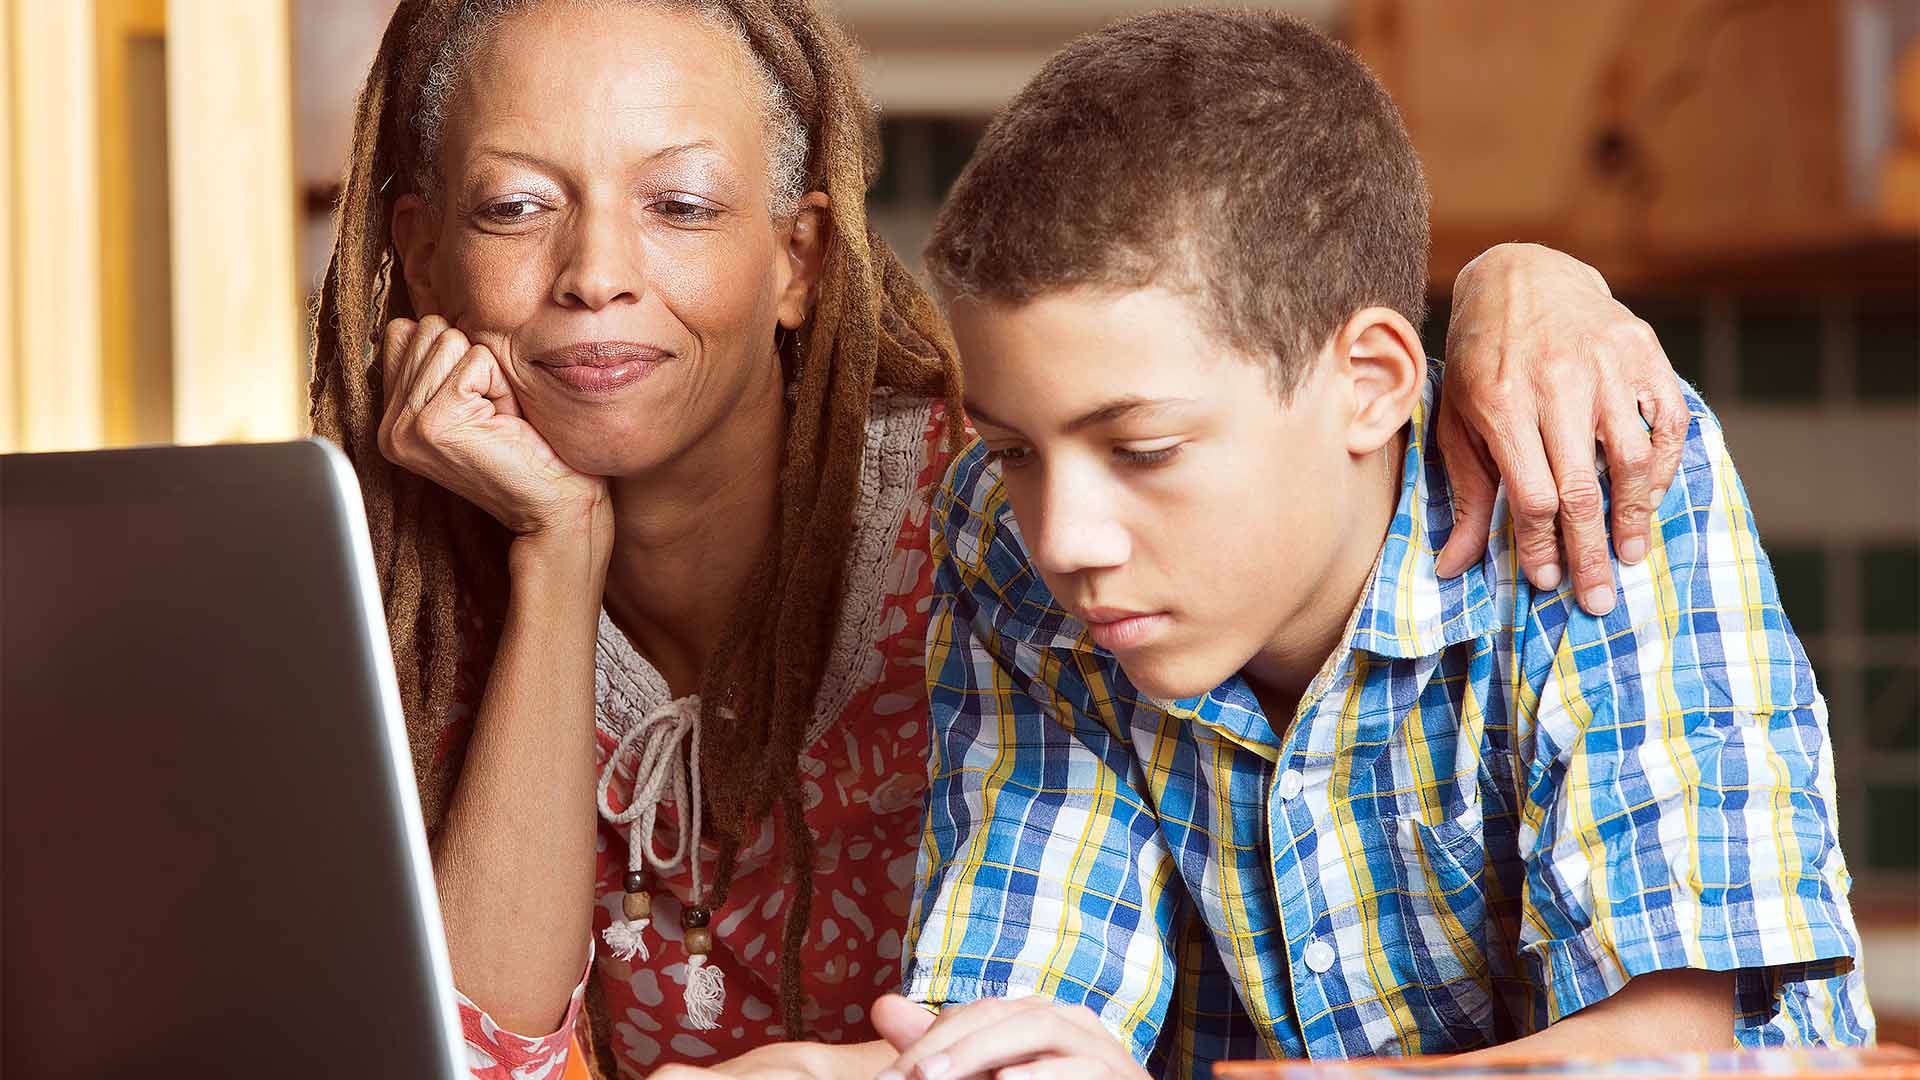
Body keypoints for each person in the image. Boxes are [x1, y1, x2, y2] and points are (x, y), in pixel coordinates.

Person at [305, 2, 1690, 1077]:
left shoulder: (1001, 521)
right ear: (420, 250)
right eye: (513, 207)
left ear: (801, 256)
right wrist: (557, 549)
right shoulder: (390, 577)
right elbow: (482, 1059)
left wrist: (1522, 275)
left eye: (680, 204)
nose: (596, 273)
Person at [879, 11, 1872, 1080]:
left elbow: (1675, 1051)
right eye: (1015, 450)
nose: (1065, 539)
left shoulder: (1594, 471)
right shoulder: (1006, 536)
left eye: (1145, 450)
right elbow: (1025, 1002)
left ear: (1369, 387)